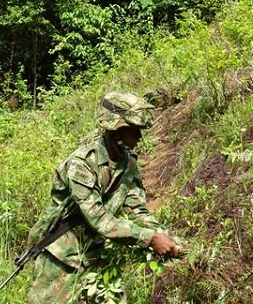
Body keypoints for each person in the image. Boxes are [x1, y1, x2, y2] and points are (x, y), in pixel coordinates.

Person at [27, 91, 181, 303]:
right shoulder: (81, 165)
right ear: (116, 130)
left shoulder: (128, 164)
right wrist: (150, 238)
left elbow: (136, 209)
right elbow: (99, 219)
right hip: (61, 257)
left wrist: (162, 234)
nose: (139, 137)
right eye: (133, 130)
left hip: (95, 256)